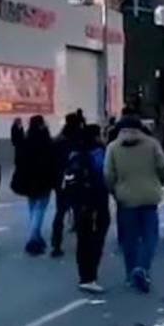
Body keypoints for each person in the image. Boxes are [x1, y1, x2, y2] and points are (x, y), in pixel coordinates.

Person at [104, 116, 164, 293]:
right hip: (149, 196)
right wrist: (161, 182)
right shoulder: (152, 144)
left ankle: (130, 273)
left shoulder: (113, 147)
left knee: (129, 239)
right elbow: (163, 167)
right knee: (150, 236)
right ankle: (142, 267)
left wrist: (114, 191)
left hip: (125, 199)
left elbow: (108, 175)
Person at [64, 124, 111, 293]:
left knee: (83, 238)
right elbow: (106, 175)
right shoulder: (99, 153)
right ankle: (90, 276)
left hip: (78, 201)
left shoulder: (75, 153)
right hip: (96, 199)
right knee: (96, 236)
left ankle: (85, 275)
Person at [11, 116, 59, 256]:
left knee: (33, 207)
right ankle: (33, 239)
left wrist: (16, 128)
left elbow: (17, 144)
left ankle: (37, 236)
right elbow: (53, 160)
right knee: (40, 209)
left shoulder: (26, 140)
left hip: (28, 180)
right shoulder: (46, 141)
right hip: (44, 180)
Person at [51, 113, 84, 257]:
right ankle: (83, 243)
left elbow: (51, 161)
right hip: (79, 180)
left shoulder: (59, 140)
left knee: (60, 212)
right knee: (80, 211)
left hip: (61, 180)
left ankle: (56, 244)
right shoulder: (81, 140)